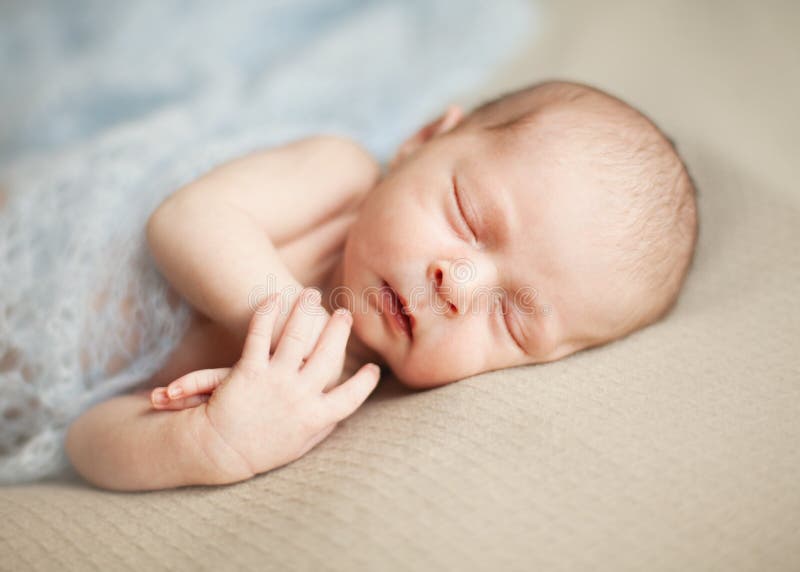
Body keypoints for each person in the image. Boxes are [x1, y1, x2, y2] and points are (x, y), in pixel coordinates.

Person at [65, 80, 699, 491]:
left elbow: (81, 439)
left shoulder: (326, 399)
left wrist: (209, 441)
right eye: (468, 217)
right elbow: (187, 220)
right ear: (424, 141)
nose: (459, 288)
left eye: (511, 317)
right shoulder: (336, 177)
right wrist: (287, 318)